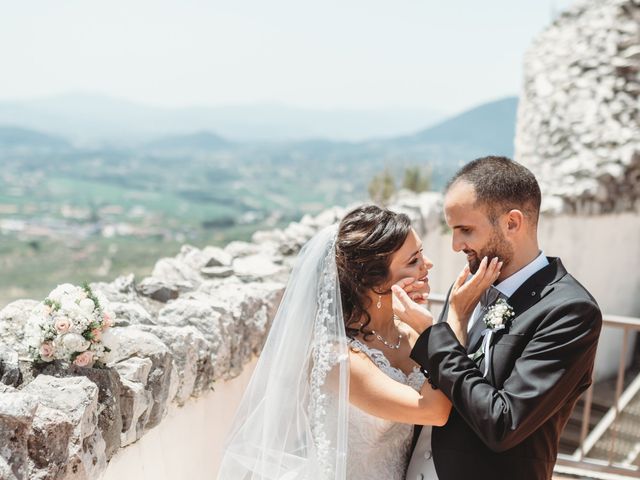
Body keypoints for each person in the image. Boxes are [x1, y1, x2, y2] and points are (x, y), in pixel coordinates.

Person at [217, 205, 500, 480]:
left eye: (422, 254)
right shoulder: (339, 358)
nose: (428, 265)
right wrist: (456, 316)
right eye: (413, 261)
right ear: (376, 283)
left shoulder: (410, 334)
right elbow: (434, 411)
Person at [393, 156, 603, 480]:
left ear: (512, 223)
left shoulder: (571, 311)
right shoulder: (464, 287)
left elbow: (504, 424)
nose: (455, 245)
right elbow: (441, 383)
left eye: (465, 230)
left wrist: (432, 333)